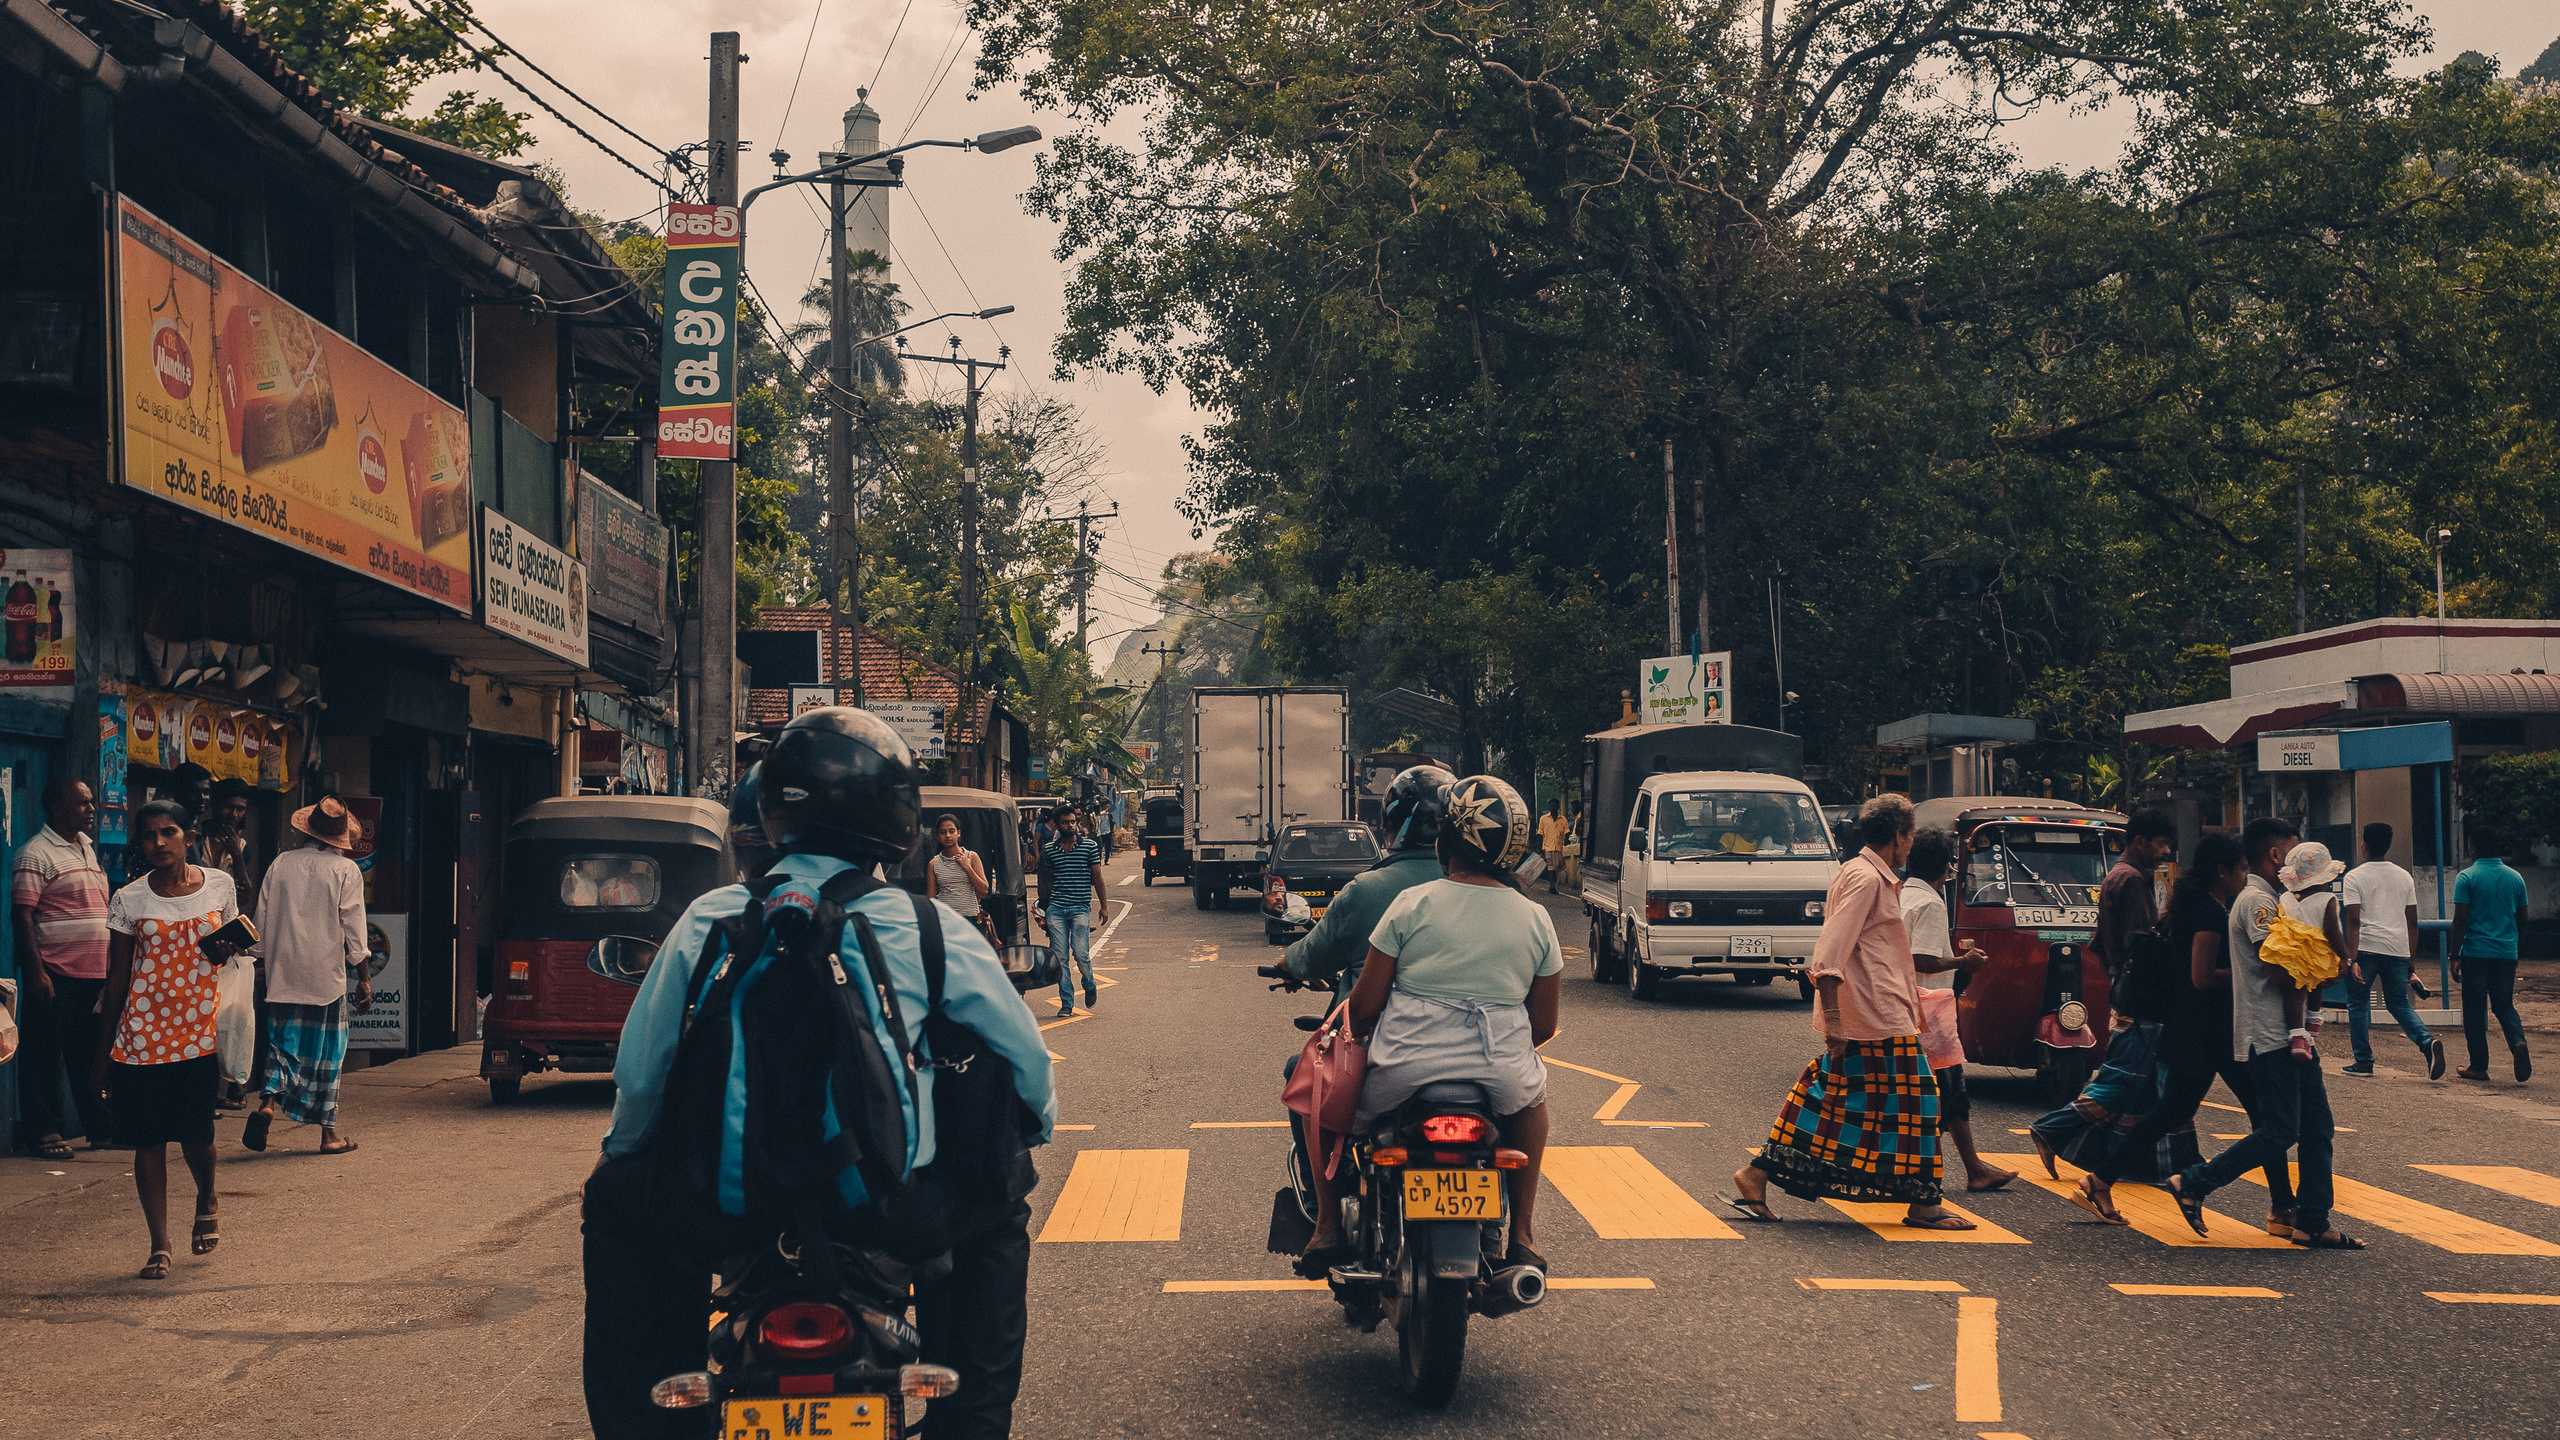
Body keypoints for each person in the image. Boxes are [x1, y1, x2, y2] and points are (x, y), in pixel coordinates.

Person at [582, 707, 1055, 1440]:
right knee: (1001, 1209)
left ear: (774, 811)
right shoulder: (931, 929)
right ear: (895, 818)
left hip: (725, 1207)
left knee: (615, 1207)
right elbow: (1028, 1072)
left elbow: (641, 1079)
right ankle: (973, 1423)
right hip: (891, 1210)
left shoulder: (710, 919)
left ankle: (652, 1423)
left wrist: (629, 1159)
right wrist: (1027, 1134)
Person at [1300, 773, 1560, 1273]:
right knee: (1533, 1104)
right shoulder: (1535, 918)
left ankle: (1328, 1226)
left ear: (1446, 842)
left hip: (1404, 1074)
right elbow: (1543, 1026)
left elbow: (1366, 1008)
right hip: (1500, 1074)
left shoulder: (1411, 904)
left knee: (1327, 1109)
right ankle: (1523, 1237)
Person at [1724, 794, 1974, 1230]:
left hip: (1876, 1011)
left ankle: (1756, 1174)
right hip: (1873, 1015)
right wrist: (1835, 1023)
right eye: (1911, 835)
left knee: (1833, 1100)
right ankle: (1923, 1203)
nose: (1912, 844)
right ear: (1898, 836)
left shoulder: (1863, 873)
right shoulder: (1866, 880)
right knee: (1919, 1102)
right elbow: (1829, 954)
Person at [2077, 834, 2297, 1233]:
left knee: (2181, 1112)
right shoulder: (2208, 913)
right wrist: (2247, 974)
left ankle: (2099, 1180)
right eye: (2242, 869)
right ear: (2222, 871)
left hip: (2200, 1030)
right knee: (2263, 1118)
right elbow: (2201, 976)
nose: (2246, 877)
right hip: (2205, 1033)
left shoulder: (2202, 907)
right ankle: (2282, 1208)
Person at [2167, 819, 2364, 1249]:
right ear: (2275, 855)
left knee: (2316, 1126)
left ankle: (2313, 1219)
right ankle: (2196, 1181)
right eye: (2291, 851)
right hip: (2272, 1034)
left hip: (2287, 1034)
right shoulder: (2258, 901)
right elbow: (2278, 965)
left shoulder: (2276, 899)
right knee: (2280, 1129)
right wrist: (2324, 969)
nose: (2295, 861)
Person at [91, 800, 241, 1279]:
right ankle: (159, 1243)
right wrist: (103, 1054)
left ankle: (207, 1194)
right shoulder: (128, 900)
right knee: (148, 1143)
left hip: (197, 1034)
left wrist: (223, 948)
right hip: (140, 1037)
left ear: (189, 836)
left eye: (169, 832)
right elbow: (117, 979)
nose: (158, 843)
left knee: (198, 1138)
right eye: (149, 835)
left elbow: (229, 950)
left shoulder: (220, 885)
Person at [2027, 808, 2177, 1175]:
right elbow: (2144, 945)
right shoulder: (2133, 880)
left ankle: (2130, 1161)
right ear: (2139, 841)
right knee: (2124, 1080)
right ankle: (2051, 1130)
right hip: (2141, 997)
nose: (2165, 853)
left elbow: (2100, 944)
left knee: (2144, 1085)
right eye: (2160, 844)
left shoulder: (2116, 876)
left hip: (2127, 991)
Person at [241, 795, 370, 1157]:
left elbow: (261, 918)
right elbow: (354, 927)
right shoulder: (345, 871)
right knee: (329, 1052)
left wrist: (261, 960)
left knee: (283, 1048)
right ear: (339, 839)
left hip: (284, 974)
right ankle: (328, 1134)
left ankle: (267, 1104)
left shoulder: (281, 863)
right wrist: (363, 977)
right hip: (325, 977)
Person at [1899, 827, 2013, 1193]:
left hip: (1906, 1003)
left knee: (1932, 1091)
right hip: (1930, 1007)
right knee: (1949, 1089)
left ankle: (1968, 1167)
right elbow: (1923, 958)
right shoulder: (1930, 902)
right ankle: (1972, 1169)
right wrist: (1964, 961)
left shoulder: (1902, 894)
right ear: (1945, 869)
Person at [11, 776, 114, 1156]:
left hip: (93, 973)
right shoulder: (34, 853)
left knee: (88, 1053)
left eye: (91, 802)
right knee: (43, 1055)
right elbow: (22, 917)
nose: (91, 809)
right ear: (56, 808)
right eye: (83, 803)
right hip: (54, 972)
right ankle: (44, 1131)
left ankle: (101, 1128)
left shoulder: (87, 848)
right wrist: (35, 972)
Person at [2340, 823, 2444, 1079]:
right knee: (2398, 1004)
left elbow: (2353, 920)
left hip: (2365, 948)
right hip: (2397, 949)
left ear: (2364, 846)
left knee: (2357, 1003)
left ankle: (2363, 1061)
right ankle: (2426, 1042)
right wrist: (2411, 961)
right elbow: (2412, 921)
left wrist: (2351, 958)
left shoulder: (2354, 877)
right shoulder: (2404, 877)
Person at [2450, 838, 2532, 1084]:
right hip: (2506, 952)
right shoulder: (2515, 878)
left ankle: (2478, 1066)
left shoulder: (2466, 877)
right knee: (2504, 1005)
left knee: (2475, 1009)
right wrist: (2515, 948)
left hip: (2476, 952)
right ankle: (2518, 1042)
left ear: (2473, 848)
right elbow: (2524, 918)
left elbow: (2460, 919)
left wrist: (2454, 955)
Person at [1039, 807, 1102, 1017]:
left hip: (1080, 908)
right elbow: (1047, 879)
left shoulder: (1089, 847)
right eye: (1065, 822)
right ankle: (1067, 1003)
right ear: (1056, 824)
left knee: (1081, 954)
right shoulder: (1049, 850)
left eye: (1073, 821)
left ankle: (1089, 982)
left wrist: (1104, 906)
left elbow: (1097, 878)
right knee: (1060, 958)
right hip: (1056, 909)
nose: (1070, 825)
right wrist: (1043, 907)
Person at [928, 813, 1000, 947]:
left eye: (951, 831)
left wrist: (967, 867)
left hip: (970, 919)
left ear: (958, 833)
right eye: (943, 832)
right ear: (938, 837)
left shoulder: (972, 857)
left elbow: (984, 889)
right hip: (946, 920)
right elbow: (931, 898)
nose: (948, 836)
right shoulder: (934, 863)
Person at [1537, 798, 1570, 893]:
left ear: (1558, 807)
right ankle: (1552, 886)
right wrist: (1540, 848)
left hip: (1558, 847)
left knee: (1559, 866)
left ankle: (1556, 883)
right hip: (1547, 846)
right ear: (1549, 807)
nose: (1553, 808)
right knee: (1550, 867)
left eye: (1555, 806)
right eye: (1551, 806)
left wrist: (1566, 840)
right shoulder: (1543, 819)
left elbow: (1566, 831)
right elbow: (1540, 833)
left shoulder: (1563, 819)